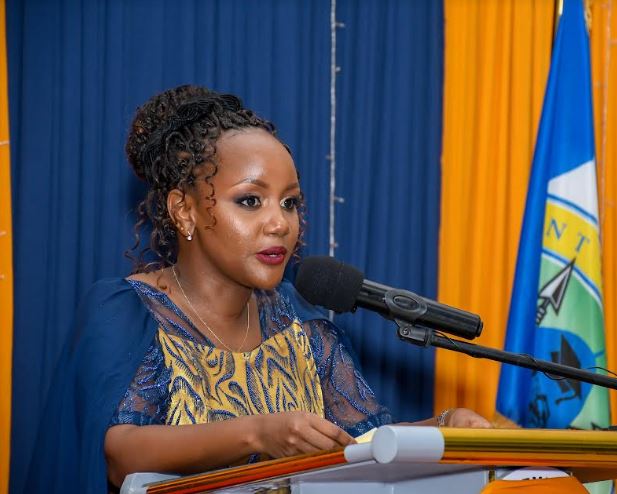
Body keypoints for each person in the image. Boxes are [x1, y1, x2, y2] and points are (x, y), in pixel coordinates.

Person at [26, 85, 491, 493]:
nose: (280, 223)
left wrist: (446, 427)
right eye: (250, 200)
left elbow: (362, 445)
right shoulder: (130, 312)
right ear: (184, 210)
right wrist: (257, 433)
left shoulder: (302, 325)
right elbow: (119, 452)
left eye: (290, 203)